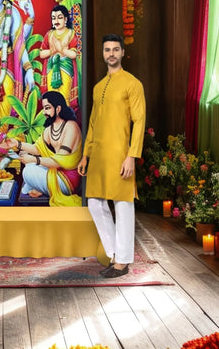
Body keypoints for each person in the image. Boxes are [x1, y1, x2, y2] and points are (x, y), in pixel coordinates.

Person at [77, 34, 146, 278]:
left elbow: (139, 121)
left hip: (120, 154)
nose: (112, 54)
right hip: (99, 155)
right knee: (95, 203)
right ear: (103, 54)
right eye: (107, 50)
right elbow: (93, 123)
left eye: (116, 49)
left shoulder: (132, 84)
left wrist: (132, 156)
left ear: (122, 53)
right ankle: (116, 254)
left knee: (123, 204)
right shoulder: (98, 87)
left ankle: (122, 262)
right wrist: (85, 155)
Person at [2, 90, 82, 207]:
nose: (44, 112)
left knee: (28, 171)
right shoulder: (51, 128)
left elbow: (60, 162)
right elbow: (36, 148)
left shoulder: (71, 127)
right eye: (44, 108)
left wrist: (34, 160)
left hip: (68, 180)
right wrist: (16, 143)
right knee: (29, 167)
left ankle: (41, 188)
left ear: (58, 109)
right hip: (56, 173)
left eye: (47, 108)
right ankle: (40, 187)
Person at [39, 5, 81, 119]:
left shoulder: (71, 33)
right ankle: (53, 121)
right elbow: (42, 53)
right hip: (52, 68)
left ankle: (65, 121)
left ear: (66, 19)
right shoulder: (49, 34)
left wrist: (61, 50)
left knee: (64, 96)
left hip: (65, 68)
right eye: (53, 18)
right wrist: (54, 50)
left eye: (59, 17)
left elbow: (73, 54)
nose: (56, 21)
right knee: (52, 97)